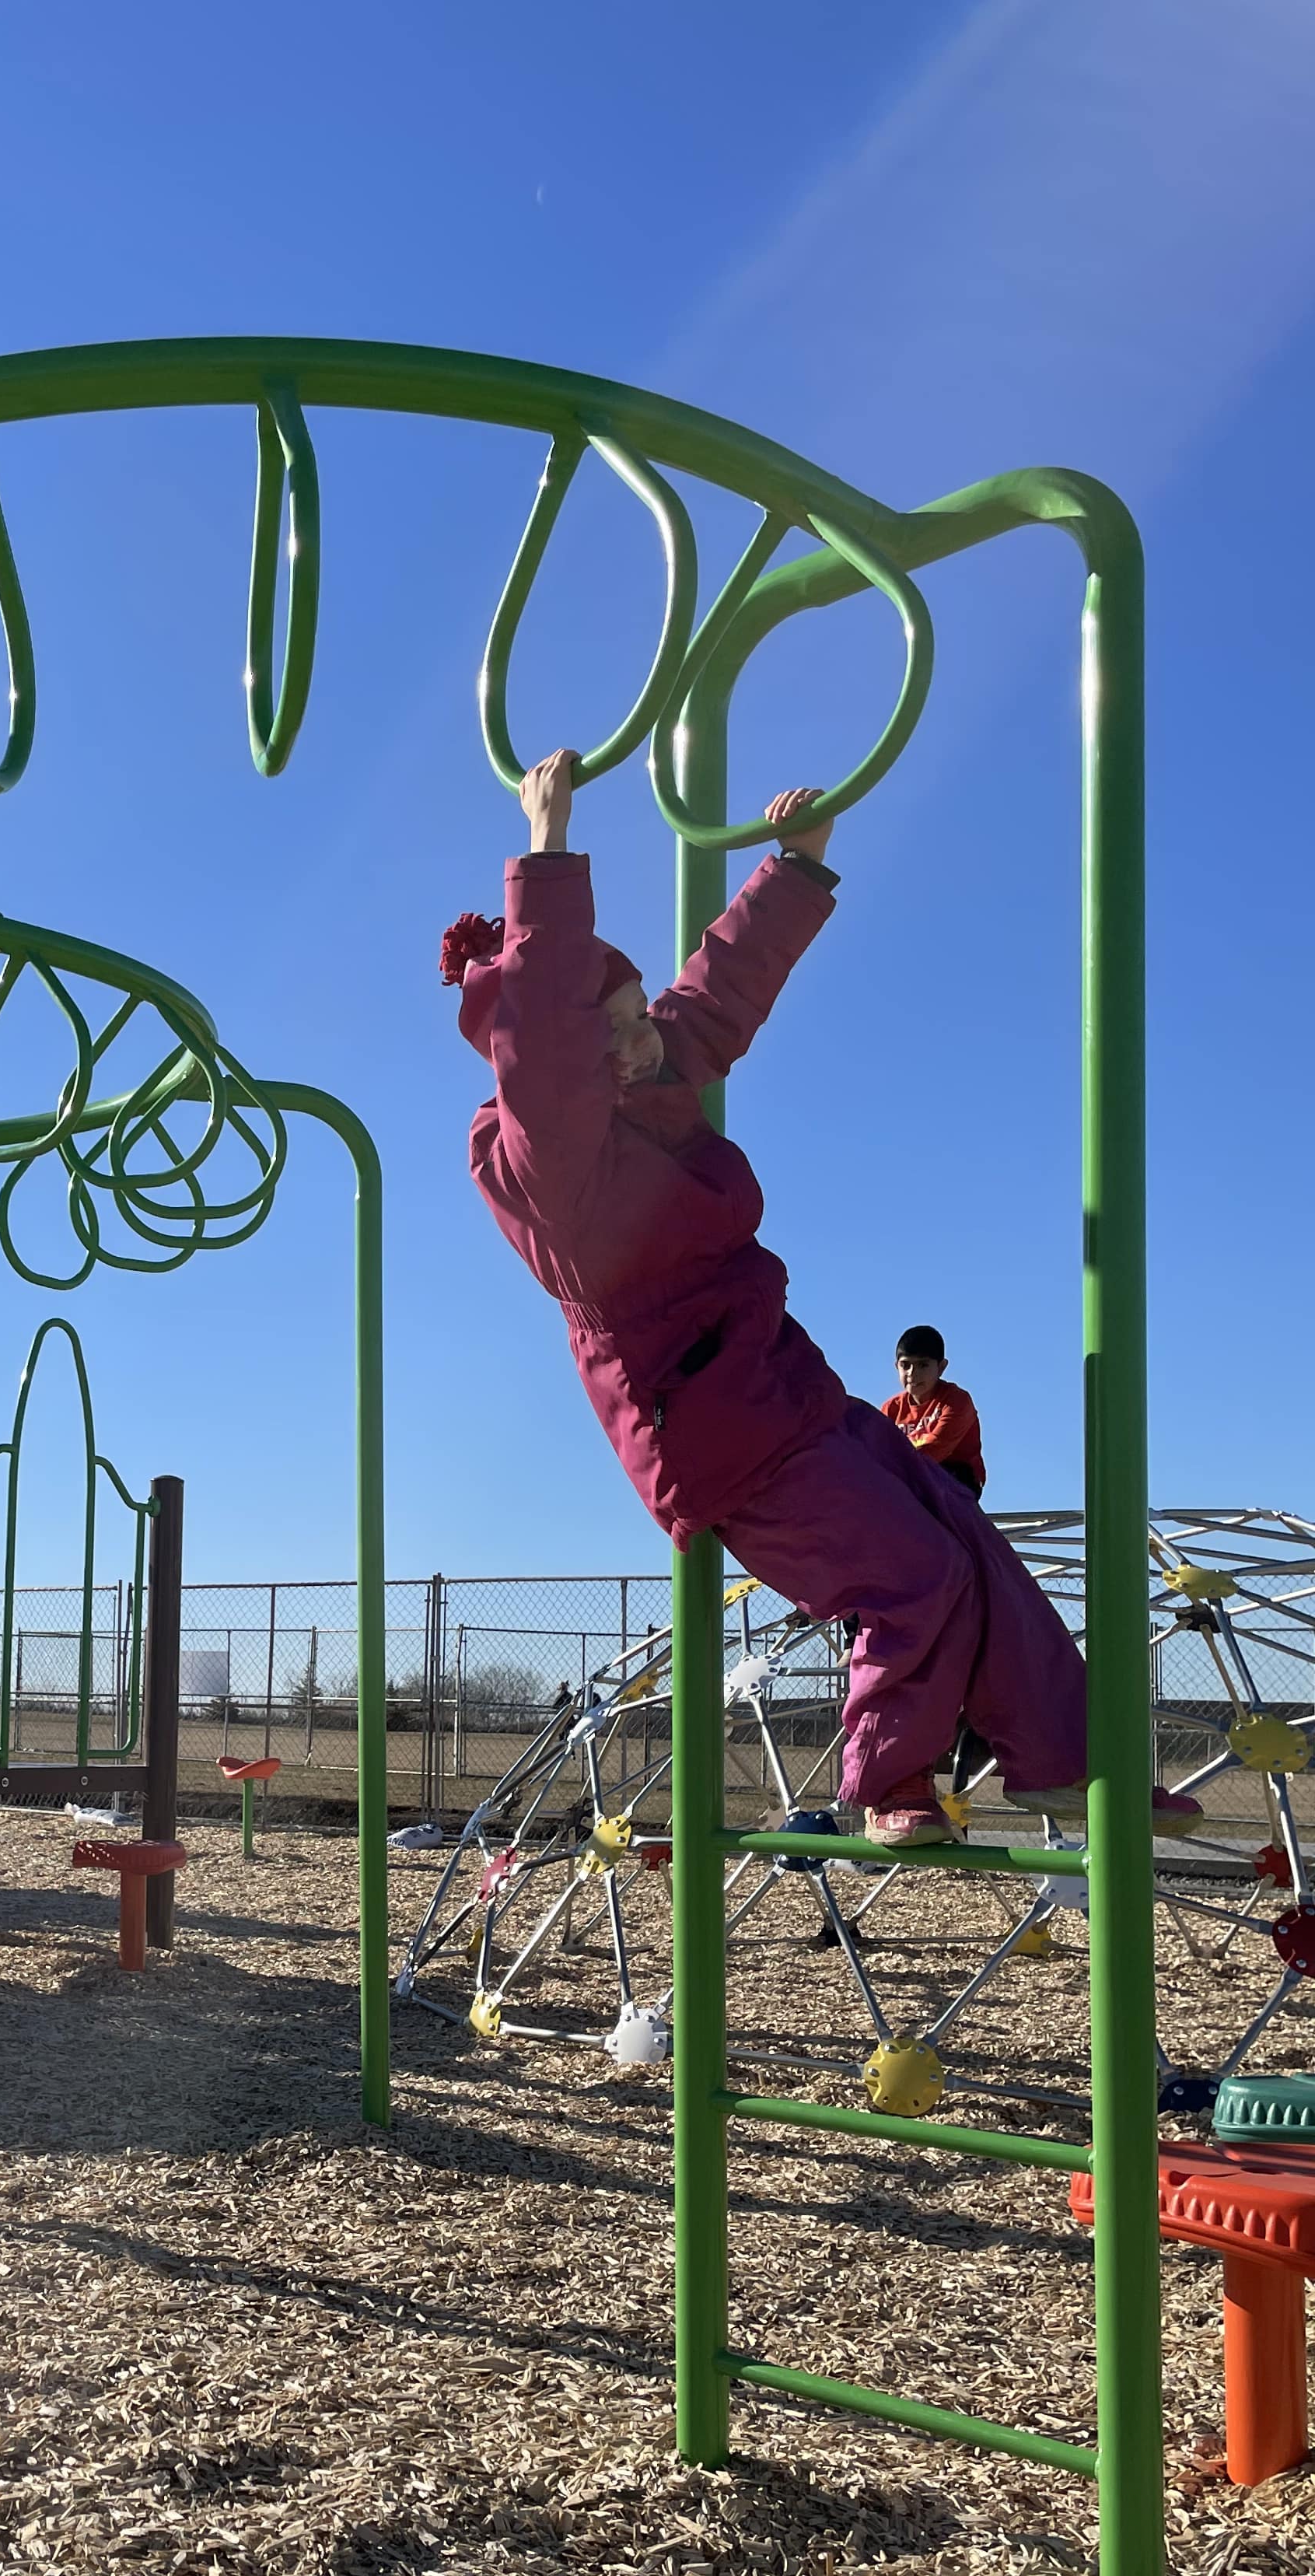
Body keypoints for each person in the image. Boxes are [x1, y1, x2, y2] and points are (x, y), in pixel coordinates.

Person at [444, 751, 1194, 1846]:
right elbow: (545, 1048)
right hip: (719, 1440)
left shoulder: (647, 1082)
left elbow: (715, 996)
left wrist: (795, 871)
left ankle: (1068, 1766)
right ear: (564, 1050)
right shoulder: (558, 1166)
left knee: (973, 1548)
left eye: (634, 1010)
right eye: (613, 1024)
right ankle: (884, 1783)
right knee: (911, 1575)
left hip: (790, 1396)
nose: (645, 1033)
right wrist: (547, 853)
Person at [883, 1325, 984, 1496]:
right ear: (896, 1367)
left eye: (923, 1365)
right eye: (905, 1365)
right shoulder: (891, 1409)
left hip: (955, 1477)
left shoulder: (956, 1401)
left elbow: (936, 1449)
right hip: (908, 1476)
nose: (912, 1373)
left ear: (941, 1367)